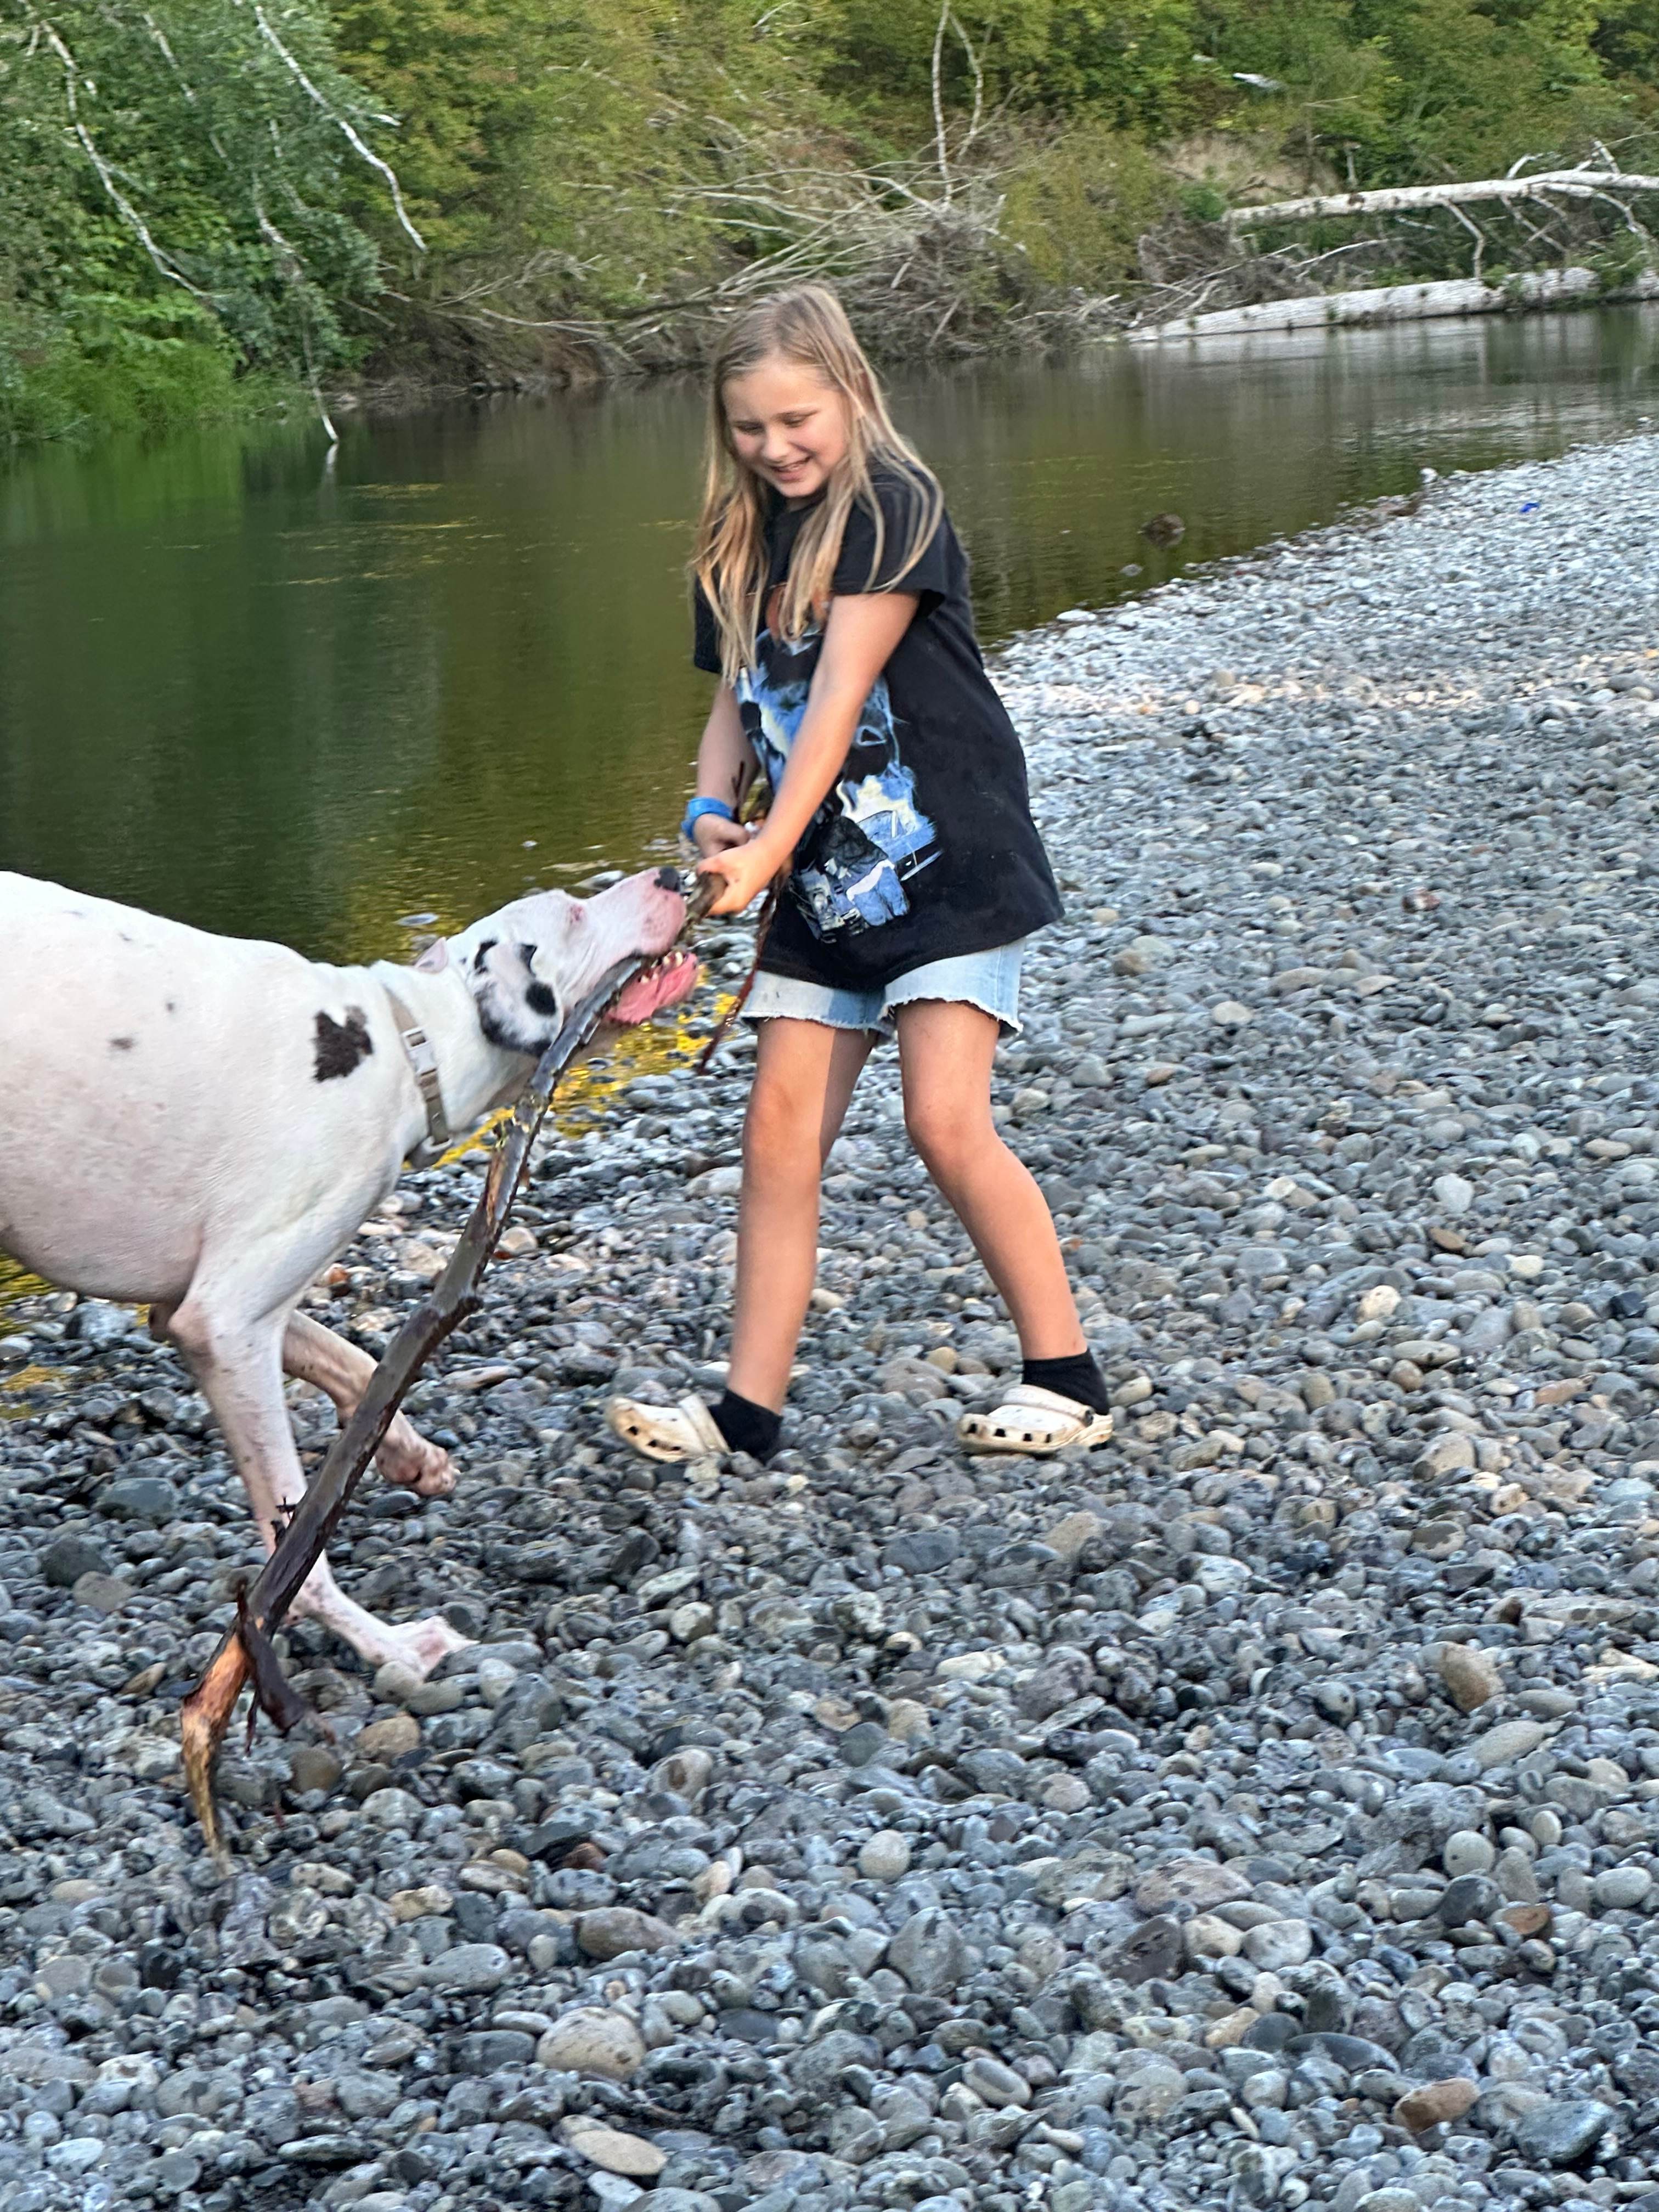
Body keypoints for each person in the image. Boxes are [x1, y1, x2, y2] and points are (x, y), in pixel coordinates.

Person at [606, 284, 1114, 1465]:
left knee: (945, 1120)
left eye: (798, 420)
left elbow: (836, 702)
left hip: (947, 859)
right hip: (824, 881)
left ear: (850, 395)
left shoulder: (894, 506)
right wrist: (707, 811)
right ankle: (747, 1414)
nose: (777, 448)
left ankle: (1066, 1376)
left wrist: (771, 847)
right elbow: (741, 698)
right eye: (750, 428)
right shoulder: (736, 544)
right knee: (777, 1139)